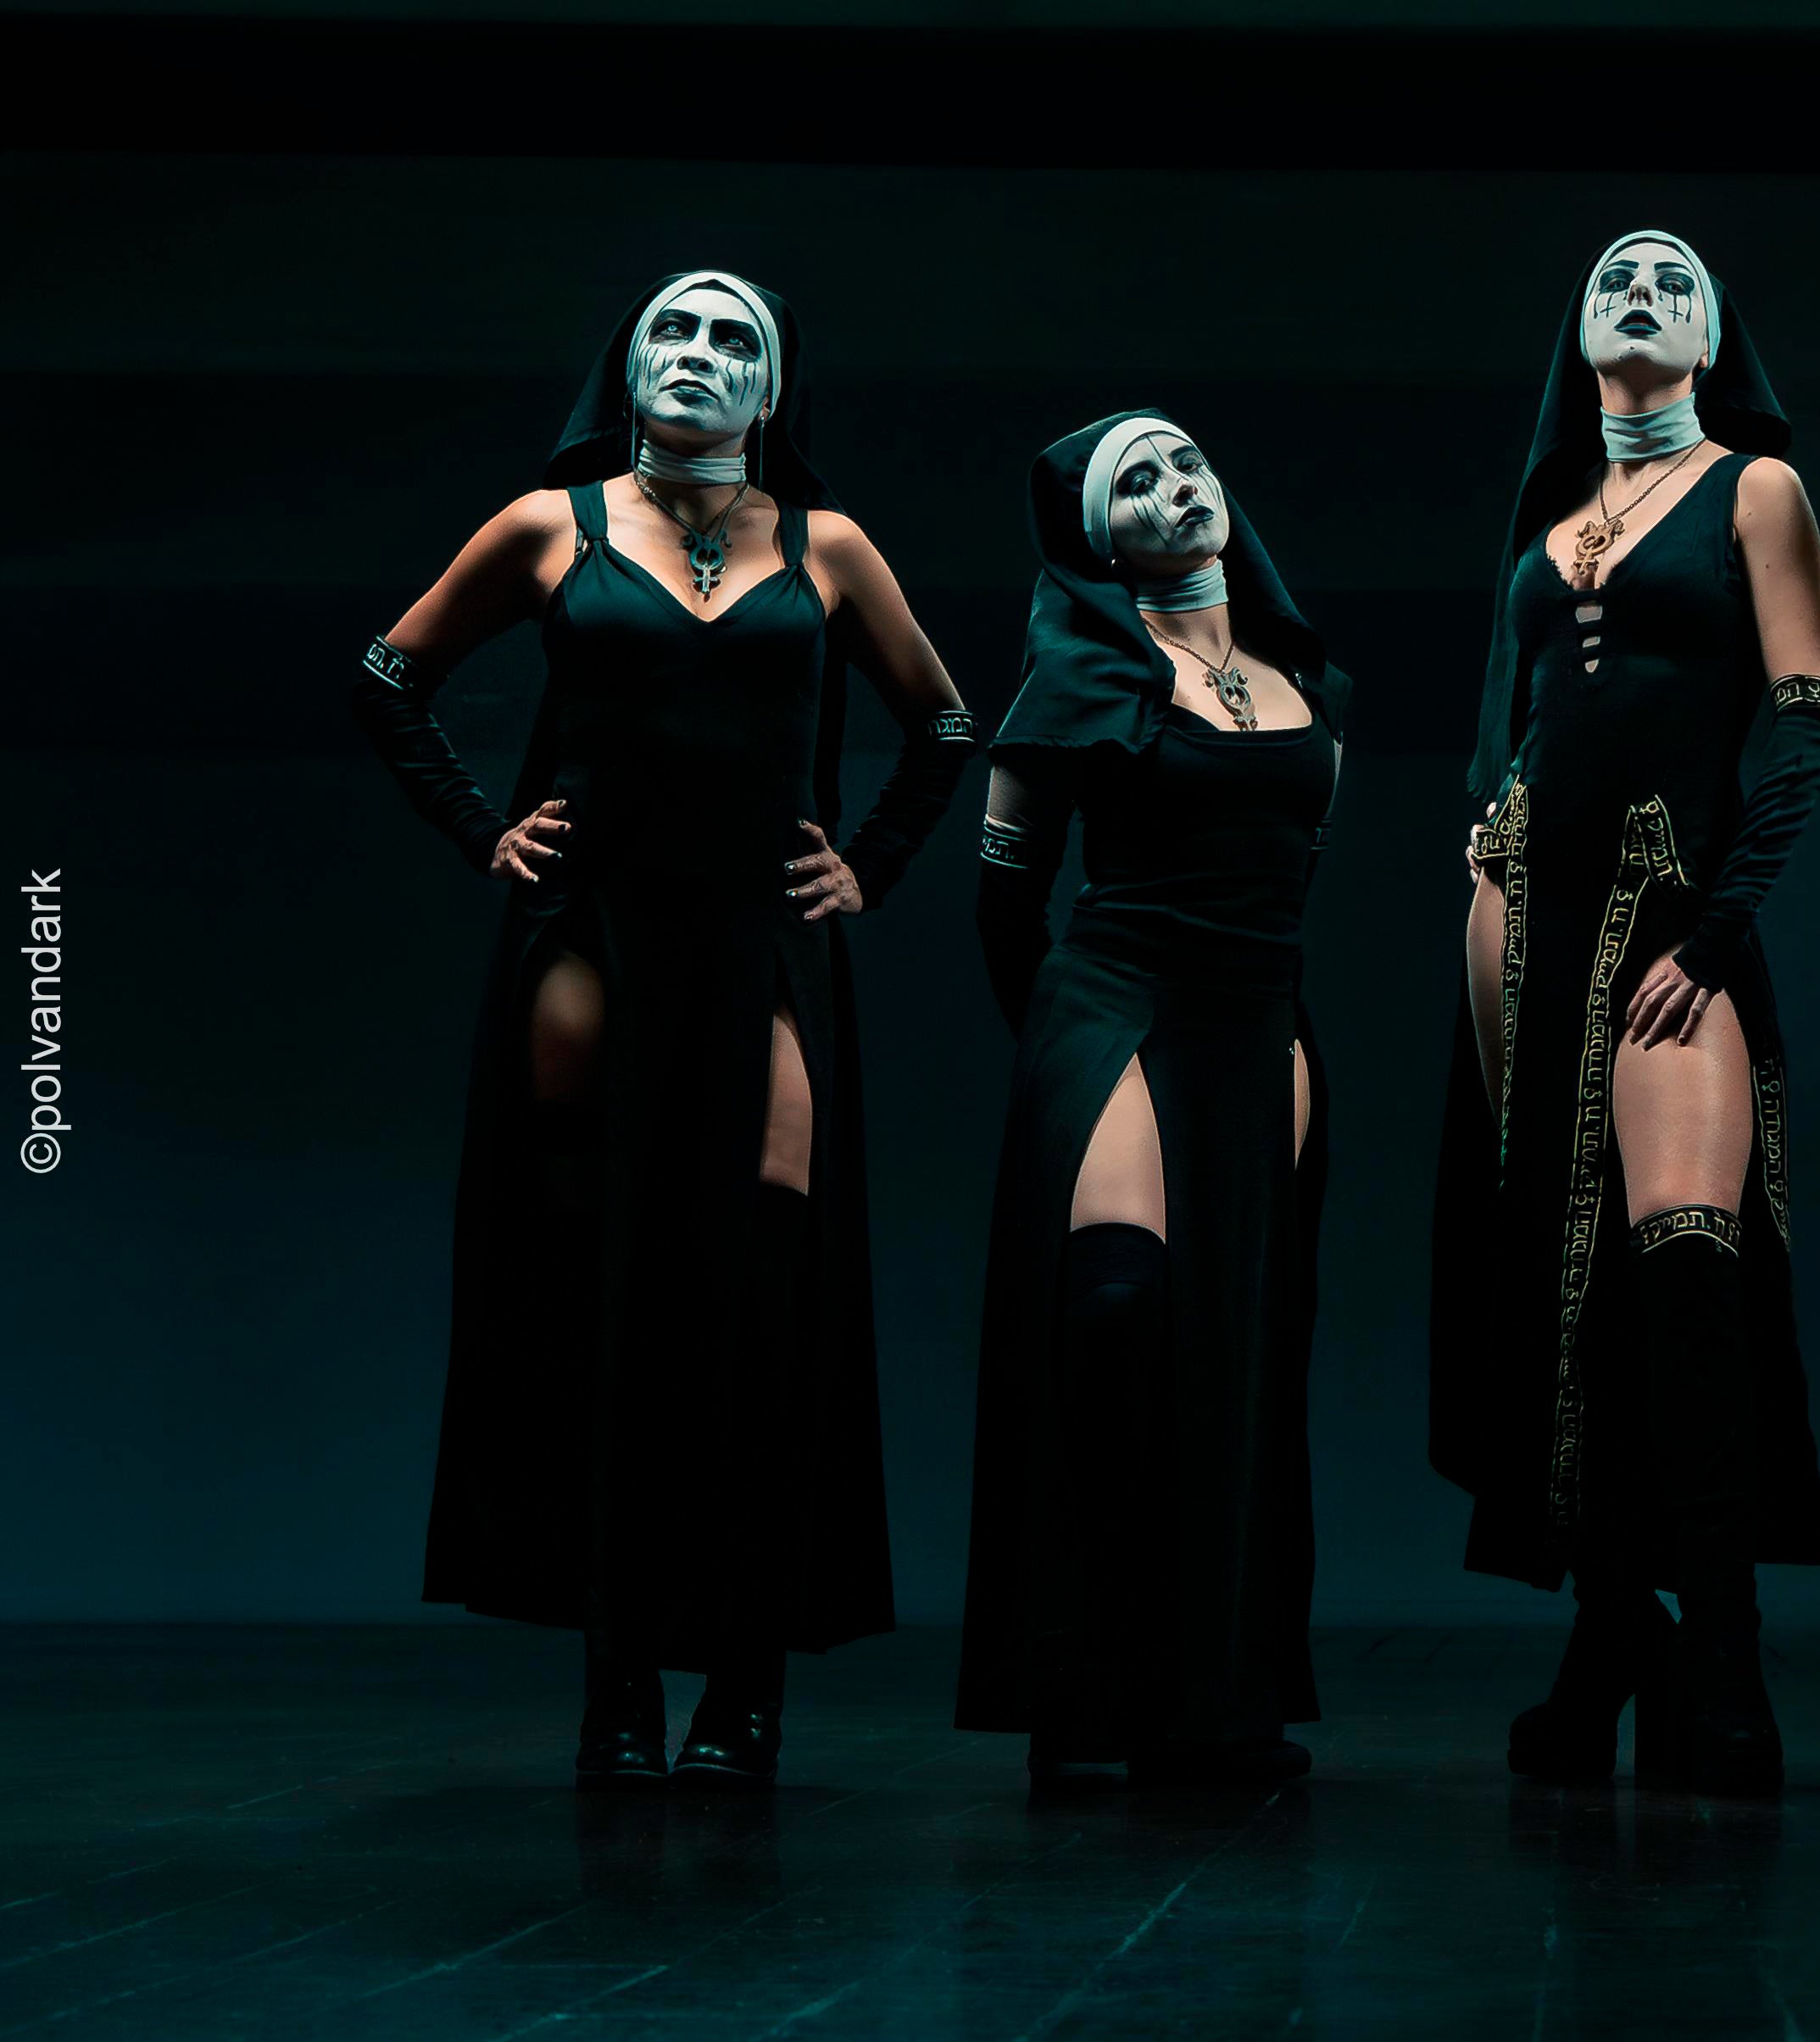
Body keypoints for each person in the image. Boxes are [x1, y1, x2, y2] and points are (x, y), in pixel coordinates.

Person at [349, 270, 975, 1787]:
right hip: (594, 943)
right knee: (606, 1309)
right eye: (671, 330)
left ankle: (743, 1684)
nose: (697, 353)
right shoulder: (548, 525)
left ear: (773, 389)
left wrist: (871, 864)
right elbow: (390, 674)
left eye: (731, 338)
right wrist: (483, 830)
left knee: (760, 1307)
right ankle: (618, 1682)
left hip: (763, 949)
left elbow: (947, 722)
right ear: (626, 367)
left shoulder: (824, 545)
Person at [1430, 230, 1820, 1796]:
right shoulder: (1545, 526)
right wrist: (1487, 838)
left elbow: (1804, 726)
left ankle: (1723, 1651)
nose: (1643, 288)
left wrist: (1720, 928)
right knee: (1560, 1276)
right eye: (1615, 275)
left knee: (1685, 1265)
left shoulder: (1756, 490)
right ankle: (1609, 1634)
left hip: (1674, 915)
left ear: (1714, 336)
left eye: (1675, 277)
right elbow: (1513, 737)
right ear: (1580, 331)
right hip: (1525, 926)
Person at [955, 412, 1352, 1786]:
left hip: (1259, 1021)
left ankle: (1214, 1700)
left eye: (1187, 463)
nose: (1177, 489)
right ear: (1097, 540)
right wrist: (1063, 1060)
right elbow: (1005, 904)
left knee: (1240, 1349)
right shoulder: (1072, 681)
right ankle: (1086, 1686)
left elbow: (1291, 873)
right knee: (1117, 1308)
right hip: (1115, 1003)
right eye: (1138, 481)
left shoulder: (1309, 685)